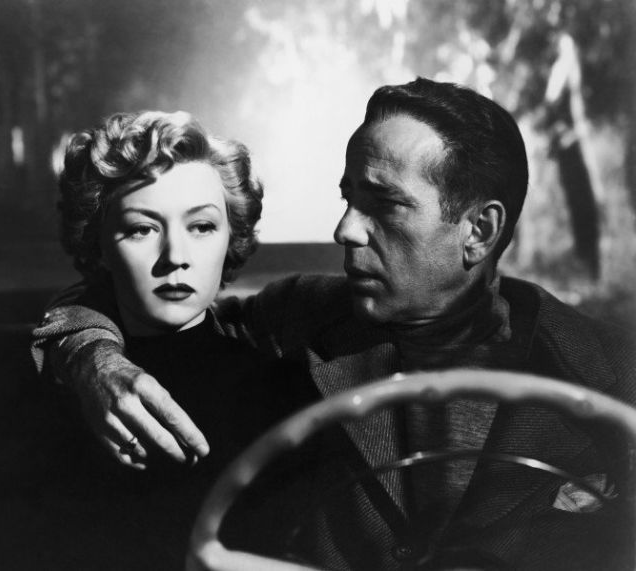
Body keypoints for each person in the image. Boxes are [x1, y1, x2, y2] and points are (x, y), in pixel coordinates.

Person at [33, 79, 636, 569]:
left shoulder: (606, 374)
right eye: (348, 199)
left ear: (479, 231)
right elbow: (137, 303)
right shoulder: (303, 314)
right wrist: (91, 358)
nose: (345, 229)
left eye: (385, 204)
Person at [0, 111, 316, 571]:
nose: (176, 257)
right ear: (99, 246)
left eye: (201, 227)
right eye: (141, 229)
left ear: (231, 236)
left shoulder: (280, 391)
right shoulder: (11, 387)